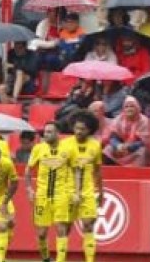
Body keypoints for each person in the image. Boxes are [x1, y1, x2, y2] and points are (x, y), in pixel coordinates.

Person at [25, 122, 77, 262]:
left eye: (49, 132)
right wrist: (29, 188)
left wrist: (75, 191)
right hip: (42, 196)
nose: (45, 135)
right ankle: (46, 258)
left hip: (61, 195)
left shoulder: (69, 149)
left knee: (61, 230)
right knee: (41, 234)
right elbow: (28, 171)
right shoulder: (38, 149)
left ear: (57, 133)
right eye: (45, 132)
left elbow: (76, 170)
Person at [62, 111, 103, 262]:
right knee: (65, 227)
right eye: (76, 128)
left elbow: (98, 171)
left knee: (88, 224)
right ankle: (61, 258)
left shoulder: (95, 145)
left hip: (87, 191)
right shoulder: (65, 144)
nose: (78, 131)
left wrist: (101, 191)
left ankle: (90, 259)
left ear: (89, 130)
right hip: (68, 191)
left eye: (82, 129)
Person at [104, 95, 150, 166]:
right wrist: (118, 145)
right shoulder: (119, 119)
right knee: (108, 149)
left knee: (142, 151)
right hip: (121, 148)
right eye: (126, 107)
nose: (129, 109)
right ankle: (110, 173)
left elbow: (144, 142)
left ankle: (137, 174)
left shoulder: (144, 121)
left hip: (136, 149)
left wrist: (129, 147)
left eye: (132, 106)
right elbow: (113, 136)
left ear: (137, 107)